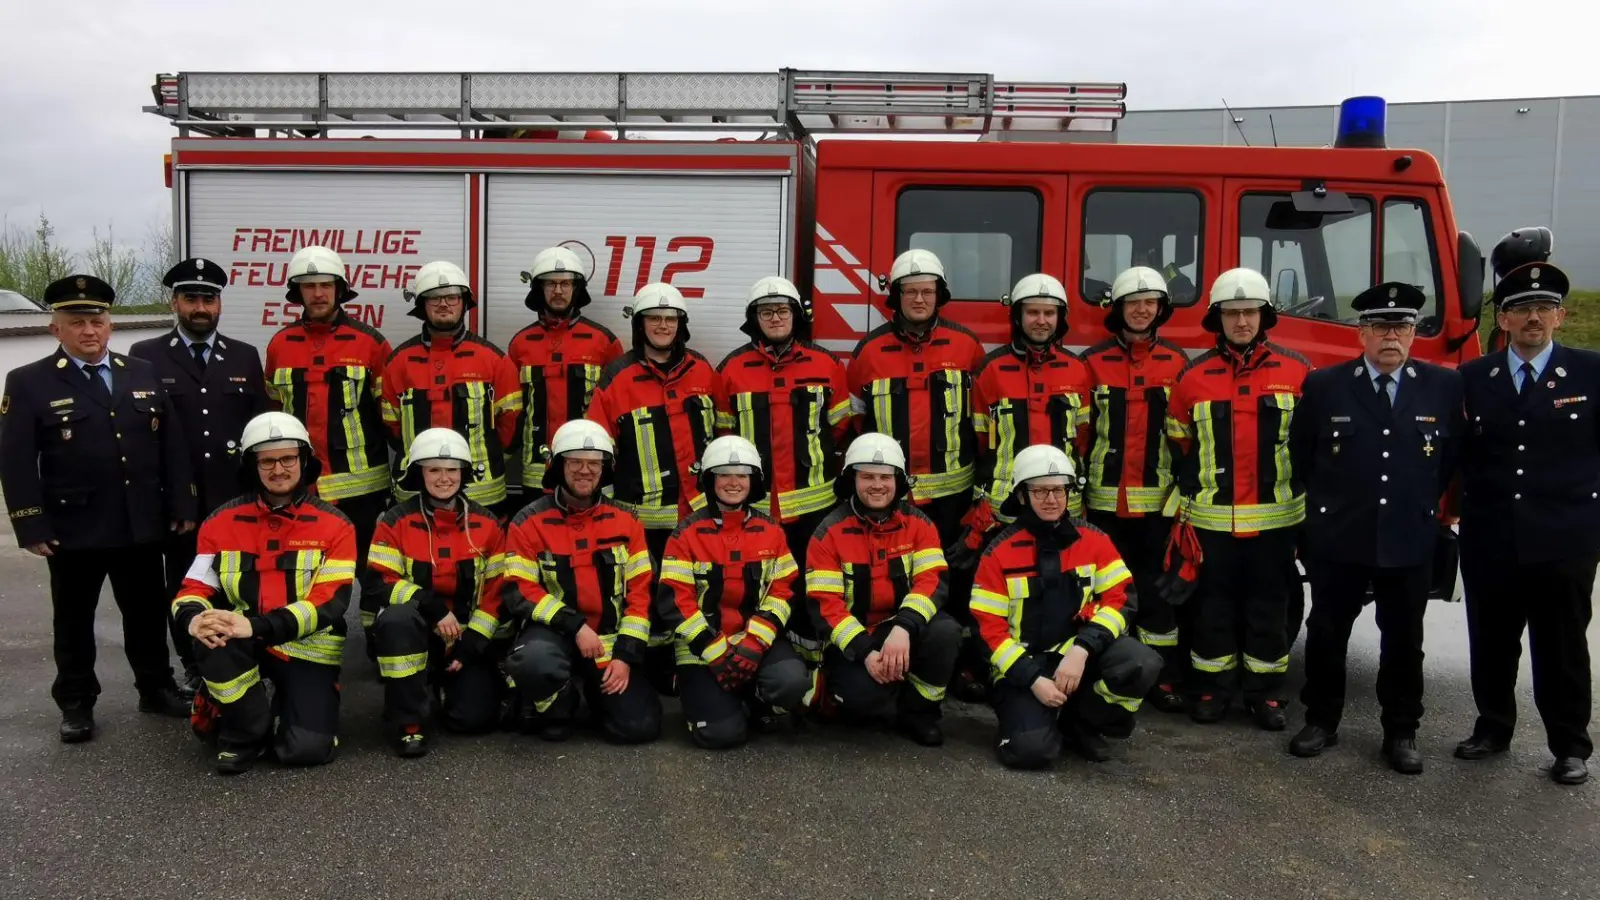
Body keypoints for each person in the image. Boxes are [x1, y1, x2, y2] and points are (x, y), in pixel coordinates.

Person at [0, 274, 195, 742]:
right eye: (77, 321)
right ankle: (76, 702)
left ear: (110, 325)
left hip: (139, 522)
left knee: (146, 613)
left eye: (97, 320)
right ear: (56, 329)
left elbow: (171, 444)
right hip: (74, 526)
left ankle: (156, 687)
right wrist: (30, 524)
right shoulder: (29, 382)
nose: (89, 330)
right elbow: (17, 459)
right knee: (73, 620)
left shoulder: (141, 371)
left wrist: (182, 502)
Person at [1286, 283, 1464, 774]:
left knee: (1404, 640)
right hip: (1339, 536)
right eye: (1381, 326)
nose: (1392, 336)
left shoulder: (1443, 387)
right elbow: (1303, 456)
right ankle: (1321, 721)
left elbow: (1448, 460)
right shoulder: (1325, 386)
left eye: (1402, 327)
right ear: (1361, 333)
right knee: (1326, 633)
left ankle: (1401, 731)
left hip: (1408, 537)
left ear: (1413, 334)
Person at [1455, 261, 1600, 785]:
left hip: (1564, 539)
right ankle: (1493, 729)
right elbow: (1455, 453)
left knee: (1561, 646)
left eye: (1543, 308)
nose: (1533, 316)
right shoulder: (1474, 377)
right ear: (1505, 320)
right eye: (1521, 309)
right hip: (1491, 536)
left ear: (1560, 316)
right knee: (1491, 641)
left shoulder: (1591, 373)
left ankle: (1569, 746)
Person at [1165, 268, 1311, 730]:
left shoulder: (1298, 373)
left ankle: (1265, 696)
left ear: (1265, 316)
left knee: (1269, 607)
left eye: (1250, 312)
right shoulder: (1192, 378)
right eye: (1232, 313)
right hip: (1211, 522)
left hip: (1275, 523)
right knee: (1213, 608)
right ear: (1218, 319)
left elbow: (1310, 447)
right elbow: (1179, 445)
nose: (1242, 321)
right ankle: (1211, 690)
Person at [171, 412, 356, 773]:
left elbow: (329, 603)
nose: (278, 469)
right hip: (241, 645)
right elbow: (193, 588)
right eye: (267, 461)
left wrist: (257, 626)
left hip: (307, 648)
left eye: (288, 459)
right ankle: (244, 733)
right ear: (251, 466)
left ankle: (283, 704)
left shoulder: (336, 525)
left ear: (304, 461)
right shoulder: (219, 523)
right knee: (212, 641)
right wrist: (194, 620)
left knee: (305, 751)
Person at [969, 444, 1161, 767]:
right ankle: (1028, 722)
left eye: (1059, 489)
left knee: (1141, 663)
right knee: (1031, 753)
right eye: (1041, 491)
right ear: (1021, 495)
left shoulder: (1094, 540)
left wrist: (1083, 649)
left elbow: (1121, 600)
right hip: (1023, 666)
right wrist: (1032, 680)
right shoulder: (998, 554)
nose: (1052, 499)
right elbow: (987, 632)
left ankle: (1081, 722)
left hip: (1076, 658)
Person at [130, 257, 270, 697]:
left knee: (241, 580)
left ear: (220, 305)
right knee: (186, 586)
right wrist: (173, 501)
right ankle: (194, 663)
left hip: (237, 500)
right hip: (181, 505)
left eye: (208, 298)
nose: (200, 306)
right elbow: (144, 439)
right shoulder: (146, 356)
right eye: (191, 298)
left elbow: (259, 428)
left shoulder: (244, 356)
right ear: (175, 303)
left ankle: (240, 655)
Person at [959, 272, 1092, 701]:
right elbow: (980, 439)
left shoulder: (1077, 371)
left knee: (1049, 589)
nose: (1040, 320)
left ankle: (1042, 666)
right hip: (1004, 509)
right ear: (1017, 317)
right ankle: (988, 669)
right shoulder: (991, 370)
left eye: (1048, 312)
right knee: (997, 595)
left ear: (1060, 318)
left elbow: (1083, 439)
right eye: (1032, 312)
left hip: (1059, 503)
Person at [713, 275, 851, 667]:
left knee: (813, 588)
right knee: (754, 585)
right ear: (754, 318)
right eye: (766, 311)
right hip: (753, 505)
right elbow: (724, 435)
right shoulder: (731, 369)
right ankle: (757, 660)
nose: (775, 318)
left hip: (813, 509)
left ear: (796, 316)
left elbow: (838, 427)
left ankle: (811, 669)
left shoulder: (826, 364)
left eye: (782, 310)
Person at [499, 419, 662, 744]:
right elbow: (520, 591)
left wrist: (625, 657)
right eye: (575, 462)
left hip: (608, 642)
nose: (585, 471)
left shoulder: (627, 523)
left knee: (639, 728)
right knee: (535, 663)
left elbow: (640, 595)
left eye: (593, 463)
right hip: (554, 637)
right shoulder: (528, 522)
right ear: (558, 466)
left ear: (606, 470)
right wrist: (574, 626)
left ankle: (597, 692)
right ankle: (559, 705)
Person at [264, 245, 393, 650]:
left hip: (362, 490)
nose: (318, 293)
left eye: (325, 285)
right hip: (299, 488)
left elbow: (389, 416)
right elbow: (274, 414)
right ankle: (313, 638)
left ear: (340, 290)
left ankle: (380, 640)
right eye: (309, 286)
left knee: (372, 571)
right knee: (302, 570)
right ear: (297, 293)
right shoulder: (280, 345)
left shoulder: (370, 343)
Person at [805, 432, 962, 746]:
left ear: (899, 481)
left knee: (946, 632)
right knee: (860, 702)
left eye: (884, 477)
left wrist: (904, 628)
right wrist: (865, 652)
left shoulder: (919, 525)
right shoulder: (828, 533)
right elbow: (827, 606)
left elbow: (931, 582)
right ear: (852, 479)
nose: (877, 485)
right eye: (867, 477)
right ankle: (883, 691)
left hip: (904, 630)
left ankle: (920, 713)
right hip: (857, 638)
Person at [1080, 266, 1190, 713]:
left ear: (1161, 309)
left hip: (1159, 504)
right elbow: (1082, 432)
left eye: (1150, 302)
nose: (1142, 310)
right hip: (1103, 504)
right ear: (1118, 309)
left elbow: (1186, 437)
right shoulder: (1092, 363)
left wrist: (1182, 495)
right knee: (1105, 592)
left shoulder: (1179, 363)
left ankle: (1159, 676)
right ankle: (1113, 670)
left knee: (1158, 593)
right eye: (1133, 302)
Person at [655, 436, 807, 747]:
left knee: (793, 683)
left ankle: (758, 701)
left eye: (742, 475)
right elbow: (676, 602)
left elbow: (784, 591)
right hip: (702, 649)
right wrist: (714, 651)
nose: (734, 482)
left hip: (756, 644)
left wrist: (753, 643)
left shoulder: (772, 532)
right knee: (719, 736)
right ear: (709, 480)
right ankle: (711, 700)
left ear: (755, 481)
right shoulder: (686, 534)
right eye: (724, 474)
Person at [367, 428, 508, 757]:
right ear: (419, 474)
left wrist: (472, 644)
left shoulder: (487, 525)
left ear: (464, 474)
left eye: (452, 470)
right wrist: (430, 606)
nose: (444, 478)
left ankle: (443, 688)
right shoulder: (395, 521)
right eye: (434, 469)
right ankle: (408, 722)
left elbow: (497, 591)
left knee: (472, 719)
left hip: (465, 636)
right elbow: (377, 583)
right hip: (415, 634)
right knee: (398, 620)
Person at [847, 249, 985, 567]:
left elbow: (981, 422)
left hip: (953, 495)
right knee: (894, 569)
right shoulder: (869, 352)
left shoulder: (967, 346)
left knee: (951, 569)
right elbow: (855, 420)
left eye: (927, 291)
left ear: (939, 295)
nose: (919, 299)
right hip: (891, 491)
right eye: (910, 291)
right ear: (897, 296)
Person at [585, 282, 720, 561]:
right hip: (641, 522)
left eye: (671, 319)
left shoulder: (702, 370)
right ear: (639, 325)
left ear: (681, 325)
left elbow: (724, 433)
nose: (663, 326)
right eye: (654, 318)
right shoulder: (617, 377)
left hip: (700, 513)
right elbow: (598, 450)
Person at [381, 261, 521, 514]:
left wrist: (489, 456)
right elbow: (392, 428)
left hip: (483, 492)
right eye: (434, 298)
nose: (443, 304)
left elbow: (510, 426)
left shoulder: (494, 360)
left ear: (464, 302)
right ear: (422, 305)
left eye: (452, 297)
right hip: (415, 490)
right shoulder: (398, 362)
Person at [506, 246, 624, 504]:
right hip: (536, 469)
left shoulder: (604, 342)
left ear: (577, 289)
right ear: (539, 289)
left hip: (588, 467)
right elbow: (512, 414)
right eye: (551, 284)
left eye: (565, 283)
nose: (558, 291)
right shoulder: (520, 344)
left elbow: (617, 411)